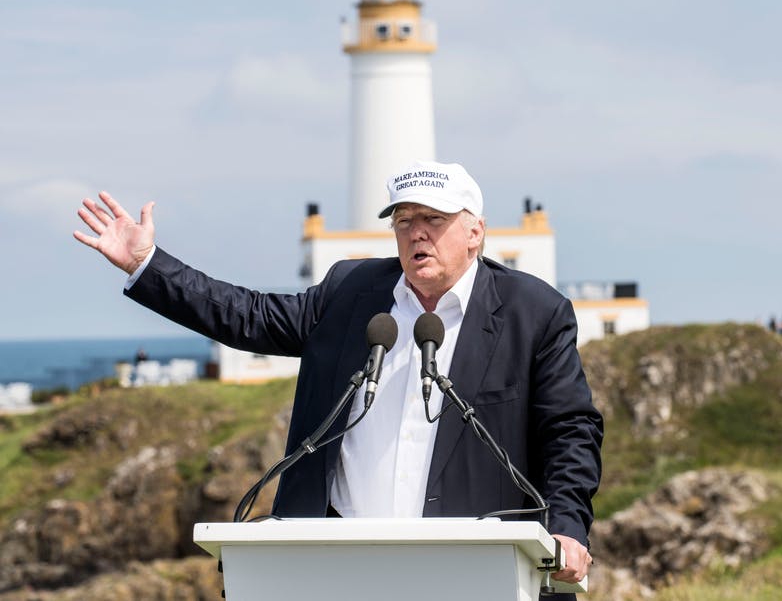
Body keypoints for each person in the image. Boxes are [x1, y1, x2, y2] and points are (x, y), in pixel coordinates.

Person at [74, 161, 602, 592]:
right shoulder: (352, 291)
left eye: (434, 219)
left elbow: (570, 432)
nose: (417, 232)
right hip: (337, 565)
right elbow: (248, 316)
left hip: (470, 568)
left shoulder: (535, 312)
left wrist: (567, 527)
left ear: (475, 232)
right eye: (403, 219)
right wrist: (147, 263)